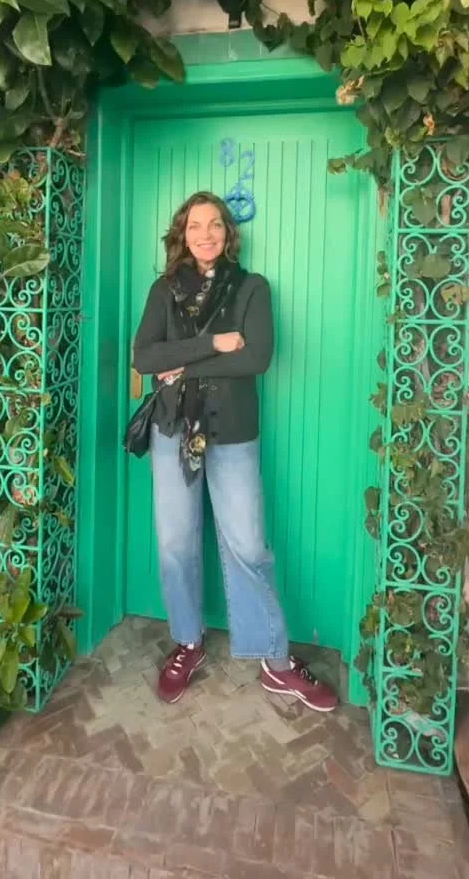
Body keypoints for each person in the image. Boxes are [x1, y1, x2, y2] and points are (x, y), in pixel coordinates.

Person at [133, 191, 337, 712]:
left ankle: (275, 660)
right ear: (182, 235)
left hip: (233, 431)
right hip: (174, 429)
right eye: (195, 226)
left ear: (228, 234)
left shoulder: (252, 288)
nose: (205, 234)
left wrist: (184, 365)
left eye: (215, 225)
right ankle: (188, 641)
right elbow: (144, 357)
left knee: (248, 545)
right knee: (175, 542)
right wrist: (215, 343)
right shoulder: (163, 290)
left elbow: (257, 358)